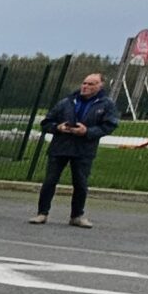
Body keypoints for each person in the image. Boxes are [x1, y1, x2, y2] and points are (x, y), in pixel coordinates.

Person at [33, 71, 118, 226]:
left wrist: (87, 132)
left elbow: (109, 125)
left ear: (100, 86)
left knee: (80, 183)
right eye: (84, 83)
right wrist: (57, 127)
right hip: (60, 147)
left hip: (84, 150)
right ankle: (42, 213)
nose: (85, 86)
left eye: (90, 84)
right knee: (50, 181)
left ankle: (77, 216)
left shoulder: (106, 105)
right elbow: (46, 122)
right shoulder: (66, 102)